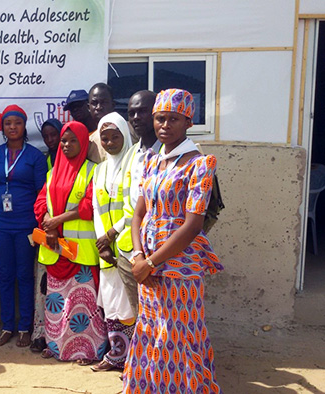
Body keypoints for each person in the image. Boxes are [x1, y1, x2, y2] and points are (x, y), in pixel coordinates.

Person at [123, 89, 223, 393]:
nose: (164, 125)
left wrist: (152, 262)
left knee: (177, 335)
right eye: (159, 118)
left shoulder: (200, 165)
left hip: (179, 266)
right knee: (152, 331)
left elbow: (193, 225)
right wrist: (138, 257)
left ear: (188, 121)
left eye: (173, 119)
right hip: (148, 266)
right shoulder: (152, 161)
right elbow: (138, 214)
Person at [33, 121, 106, 362]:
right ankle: (57, 347)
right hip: (55, 251)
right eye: (64, 140)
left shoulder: (94, 171)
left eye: (72, 140)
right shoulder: (52, 172)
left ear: (83, 142)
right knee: (58, 306)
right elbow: (41, 202)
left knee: (82, 306)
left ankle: (87, 351)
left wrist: (57, 221)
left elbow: (88, 206)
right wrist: (48, 222)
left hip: (81, 255)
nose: (66, 145)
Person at [0, 105, 47, 347]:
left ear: (24, 126)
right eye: (8, 123)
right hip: (0, 224)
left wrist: (40, 225)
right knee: (6, 275)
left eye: (17, 123)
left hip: (26, 225)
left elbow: (42, 193)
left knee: (24, 275)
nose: (13, 127)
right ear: (2, 127)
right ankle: (7, 325)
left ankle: (25, 327)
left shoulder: (34, 156)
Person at [89, 112, 136, 371]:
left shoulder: (133, 164)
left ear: (125, 136)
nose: (109, 142)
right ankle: (116, 356)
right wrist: (102, 241)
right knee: (111, 301)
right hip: (106, 249)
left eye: (115, 136)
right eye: (104, 138)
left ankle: (133, 360)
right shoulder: (100, 169)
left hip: (127, 247)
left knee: (129, 303)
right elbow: (97, 208)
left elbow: (135, 207)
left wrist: (112, 235)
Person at [116, 90, 161, 315]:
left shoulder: (179, 155)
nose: (135, 117)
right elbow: (129, 205)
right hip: (131, 256)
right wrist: (133, 254)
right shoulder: (132, 153)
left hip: (164, 258)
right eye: (131, 112)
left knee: (165, 321)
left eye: (142, 111)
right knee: (141, 320)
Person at [30, 117, 63, 353]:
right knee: (43, 288)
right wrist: (45, 222)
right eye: (47, 136)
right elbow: (40, 199)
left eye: (56, 136)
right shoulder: (45, 163)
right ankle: (41, 332)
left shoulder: (85, 164)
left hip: (74, 239)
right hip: (47, 236)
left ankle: (65, 336)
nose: (52, 141)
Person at [86, 83, 115, 164]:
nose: (99, 107)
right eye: (94, 103)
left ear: (113, 105)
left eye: (103, 102)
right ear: (88, 108)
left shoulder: (131, 132)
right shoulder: (89, 142)